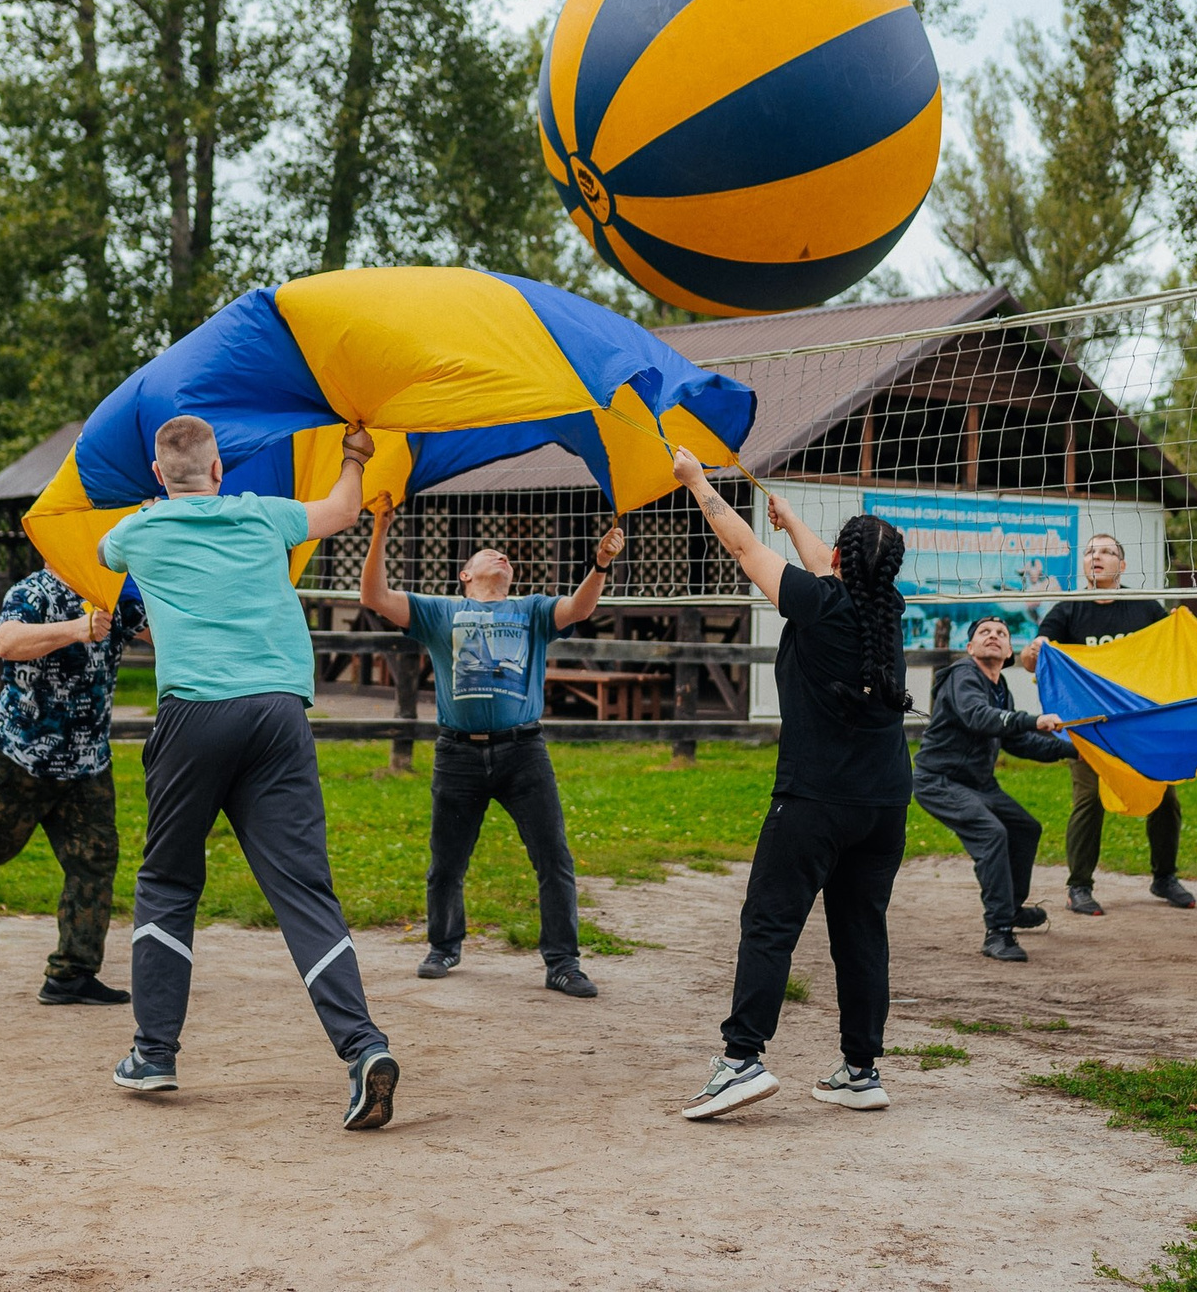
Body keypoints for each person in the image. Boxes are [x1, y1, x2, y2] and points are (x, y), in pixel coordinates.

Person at [99, 414, 401, 1130]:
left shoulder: (141, 529)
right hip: (277, 711)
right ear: (219, 471)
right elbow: (340, 510)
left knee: (168, 880)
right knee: (303, 888)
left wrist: (152, 508)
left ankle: (154, 1051)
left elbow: (106, 552)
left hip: (195, 711)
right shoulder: (262, 515)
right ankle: (363, 1047)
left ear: (159, 475)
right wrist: (355, 453)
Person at [667, 448, 913, 1122]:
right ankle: (861, 1071)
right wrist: (796, 520)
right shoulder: (886, 608)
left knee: (770, 922)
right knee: (861, 931)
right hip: (885, 802)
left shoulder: (821, 601)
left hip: (815, 799)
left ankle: (741, 1060)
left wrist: (695, 481)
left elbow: (743, 546)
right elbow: (824, 566)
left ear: (840, 559)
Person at [359, 499, 626, 997]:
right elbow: (373, 595)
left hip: (523, 751)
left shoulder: (532, 610)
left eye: (506, 555)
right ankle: (443, 945)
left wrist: (600, 564)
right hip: (457, 754)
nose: (501, 556)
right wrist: (380, 529)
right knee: (447, 862)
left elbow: (580, 608)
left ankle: (563, 963)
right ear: (464, 574)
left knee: (554, 858)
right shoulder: (441, 612)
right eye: (489, 553)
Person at [0, 565, 148, 1005]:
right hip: (22, 755)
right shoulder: (33, 591)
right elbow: (6, 643)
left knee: (95, 860)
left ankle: (71, 973)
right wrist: (78, 628)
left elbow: (160, 633)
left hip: (87, 760)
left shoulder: (114, 594)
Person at [1019, 532, 1192, 914]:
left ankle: (1164, 878)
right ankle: (1079, 886)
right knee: (1089, 800)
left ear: (1122, 565)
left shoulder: (1144, 608)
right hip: (1088, 726)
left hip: (1139, 724)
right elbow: (1031, 661)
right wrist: (1032, 651)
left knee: (1165, 798)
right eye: (1090, 552)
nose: (1096, 557)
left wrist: (1183, 629)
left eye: (1107, 552)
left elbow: (1173, 648)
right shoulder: (1068, 609)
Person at [918, 616, 1078, 963]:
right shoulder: (964, 675)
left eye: (1001, 634)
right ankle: (998, 933)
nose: (993, 636)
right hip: (939, 780)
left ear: (1008, 652)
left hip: (978, 783)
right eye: (984, 632)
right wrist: (1033, 719)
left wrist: (1074, 748)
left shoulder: (1000, 686)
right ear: (971, 647)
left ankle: (1013, 908)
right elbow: (978, 716)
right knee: (991, 835)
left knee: (1025, 828)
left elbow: (1018, 742)